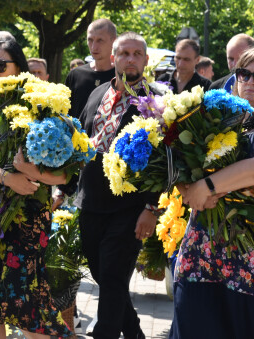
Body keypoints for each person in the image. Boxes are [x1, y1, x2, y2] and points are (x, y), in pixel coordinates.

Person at [171, 47, 254, 339]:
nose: (250, 81)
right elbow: (179, 163)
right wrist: (188, 189)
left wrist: (207, 186)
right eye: (244, 74)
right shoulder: (212, 122)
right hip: (204, 258)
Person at [0, 39, 71, 338]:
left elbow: (65, 175)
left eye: (0, 65)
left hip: (28, 221)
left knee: (29, 309)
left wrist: (31, 172)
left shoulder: (42, 110)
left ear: (19, 68)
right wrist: (7, 177)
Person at [76, 32, 167, 339]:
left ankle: (106, 333)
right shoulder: (96, 93)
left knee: (114, 277)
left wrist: (151, 208)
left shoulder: (155, 103)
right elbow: (83, 142)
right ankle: (135, 333)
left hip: (130, 207)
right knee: (104, 276)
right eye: (124, 53)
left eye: (136, 54)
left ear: (145, 59)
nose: (130, 59)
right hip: (90, 202)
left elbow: (168, 162)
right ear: (113, 58)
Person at [64, 18, 117, 118]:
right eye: (90, 40)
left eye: (100, 40)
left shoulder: (121, 77)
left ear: (114, 41)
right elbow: (64, 114)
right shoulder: (75, 75)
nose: (93, 47)